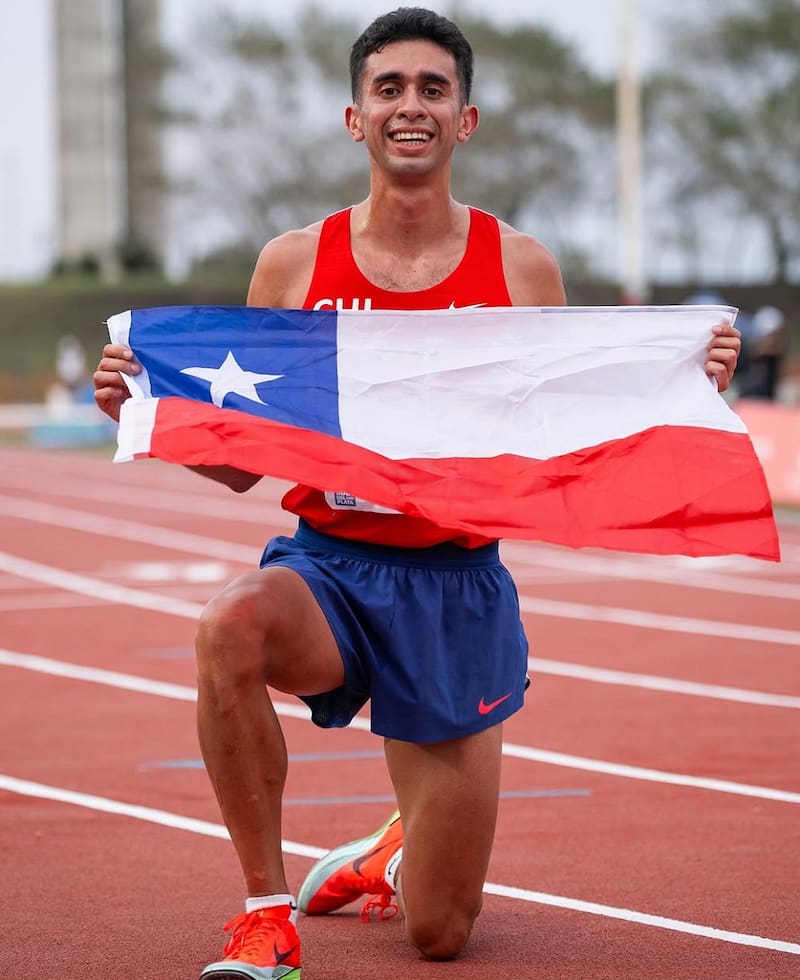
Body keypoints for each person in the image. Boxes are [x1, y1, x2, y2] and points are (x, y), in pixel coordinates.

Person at [93, 8, 742, 979]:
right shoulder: (295, 263)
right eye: (387, 87)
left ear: (464, 119)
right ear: (353, 119)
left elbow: (557, 435)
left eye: (431, 89)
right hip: (330, 570)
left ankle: (396, 848)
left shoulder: (518, 267)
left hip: (455, 586)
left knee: (440, 935)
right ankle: (266, 915)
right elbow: (243, 460)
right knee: (228, 622)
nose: (409, 105)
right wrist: (145, 409)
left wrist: (675, 385)